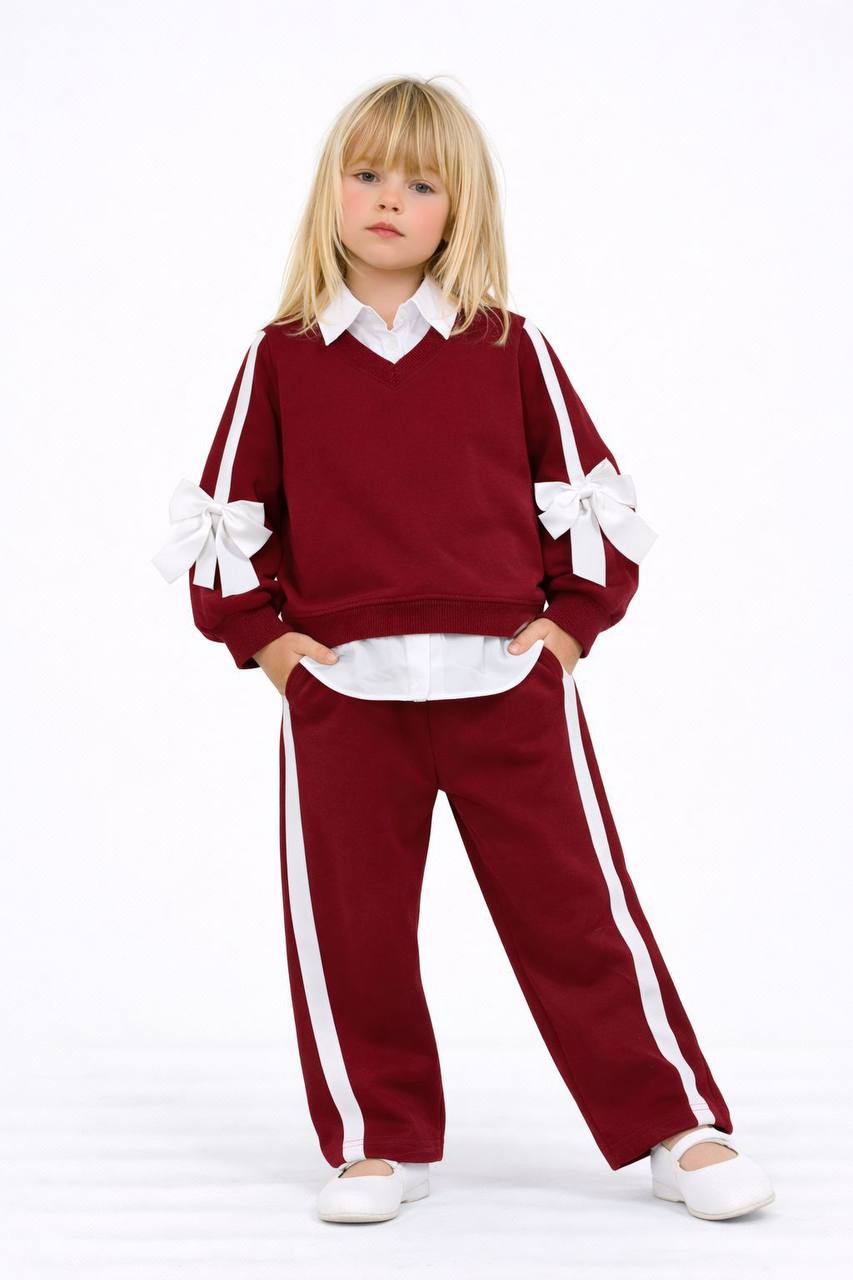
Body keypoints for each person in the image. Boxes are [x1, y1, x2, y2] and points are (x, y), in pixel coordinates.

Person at [152, 75, 775, 1225]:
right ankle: (379, 1137)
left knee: (576, 913)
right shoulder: (281, 357)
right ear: (332, 189)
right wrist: (275, 653)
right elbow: (228, 517)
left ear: (461, 206)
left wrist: (566, 629)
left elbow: (587, 493)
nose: (389, 198)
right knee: (353, 928)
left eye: (420, 182)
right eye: (367, 173)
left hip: (505, 687)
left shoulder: (508, 346)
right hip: (347, 701)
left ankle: (672, 1122)